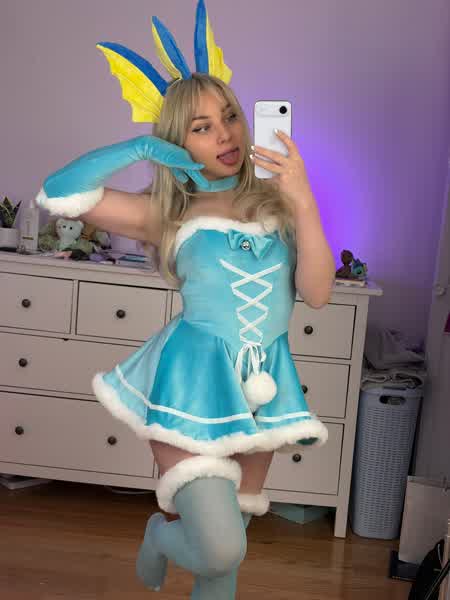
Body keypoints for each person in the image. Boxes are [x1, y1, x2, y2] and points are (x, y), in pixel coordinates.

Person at [35, 2, 335, 598]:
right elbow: (58, 192)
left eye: (230, 116)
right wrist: (141, 150)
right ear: (177, 141)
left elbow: (318, 293)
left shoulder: (280, 204)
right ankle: (160, 535)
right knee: (220, 547)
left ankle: (175, 549)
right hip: (190, 383)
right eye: (201, 127)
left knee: (225, 564)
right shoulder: (166, 212)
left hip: (263, 388)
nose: (225, 134)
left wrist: (303, 198)